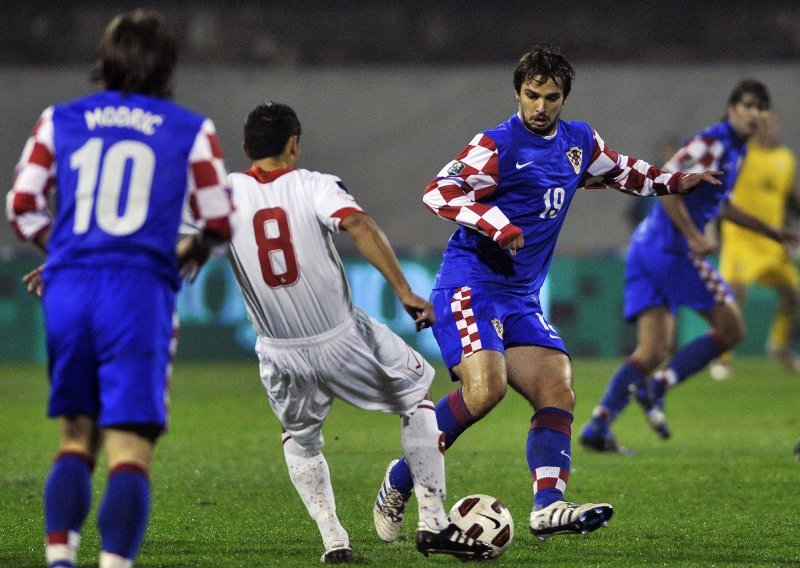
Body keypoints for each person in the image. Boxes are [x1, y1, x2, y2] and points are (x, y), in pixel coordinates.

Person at [372, 43, 721, 543]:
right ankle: (398, 478)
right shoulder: (495, 144)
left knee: (557, 386)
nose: (540, 106)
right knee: (484, 391)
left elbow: (623, 172)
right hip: (471, 285)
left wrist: (678, 181)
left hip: (520, 297)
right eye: (532, 95)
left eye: (551, 97)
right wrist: (497, 224)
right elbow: (438, 192)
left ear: (564, 98)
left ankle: (548, 507)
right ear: (518, 92)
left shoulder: (579, 143)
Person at [5, 10, 234, 568]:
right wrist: (192, 252)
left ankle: (61, 558)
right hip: (138, 291)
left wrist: (62, 253)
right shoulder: (191, 129)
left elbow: (22, 205)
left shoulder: (60, 119)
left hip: (71, 286)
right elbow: (220, 219)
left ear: (104, 62)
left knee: (76, 435)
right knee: (129, 448)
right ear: (168, 68)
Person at [215, 102, 491, 563]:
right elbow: (357, 223)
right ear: (294, 144)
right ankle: (432, 523)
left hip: (278, 352)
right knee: (419, 391)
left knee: (300, 440)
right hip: (342, 336)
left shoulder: (220, 195)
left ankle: (334, 541)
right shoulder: (313, 185)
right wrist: (404, 290)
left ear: (245, 149)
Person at [579, 80, 799, 452]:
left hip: (646, 249)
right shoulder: (714, 142)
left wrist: (770, 230)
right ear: (731, 110)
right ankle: (659, 386)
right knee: (732, 329)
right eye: (747, 105)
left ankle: (598, 426)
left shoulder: (737, 151)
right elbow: (667, 181)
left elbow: (723, 205)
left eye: (762, 107)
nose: (755, 113)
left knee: (651, 350)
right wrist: (694, 237)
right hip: (671, 251)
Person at [709, 110, 800, 379]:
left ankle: (778, 345)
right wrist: (713, 232)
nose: (767, 129)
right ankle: (723, 358)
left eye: (771, 123)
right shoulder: (740, 155)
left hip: (772, 242)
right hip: (741, 237)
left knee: (793, 296)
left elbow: (789, 199)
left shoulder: (785, 159)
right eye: (761, 124)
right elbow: (719, 193)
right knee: (735, 296)